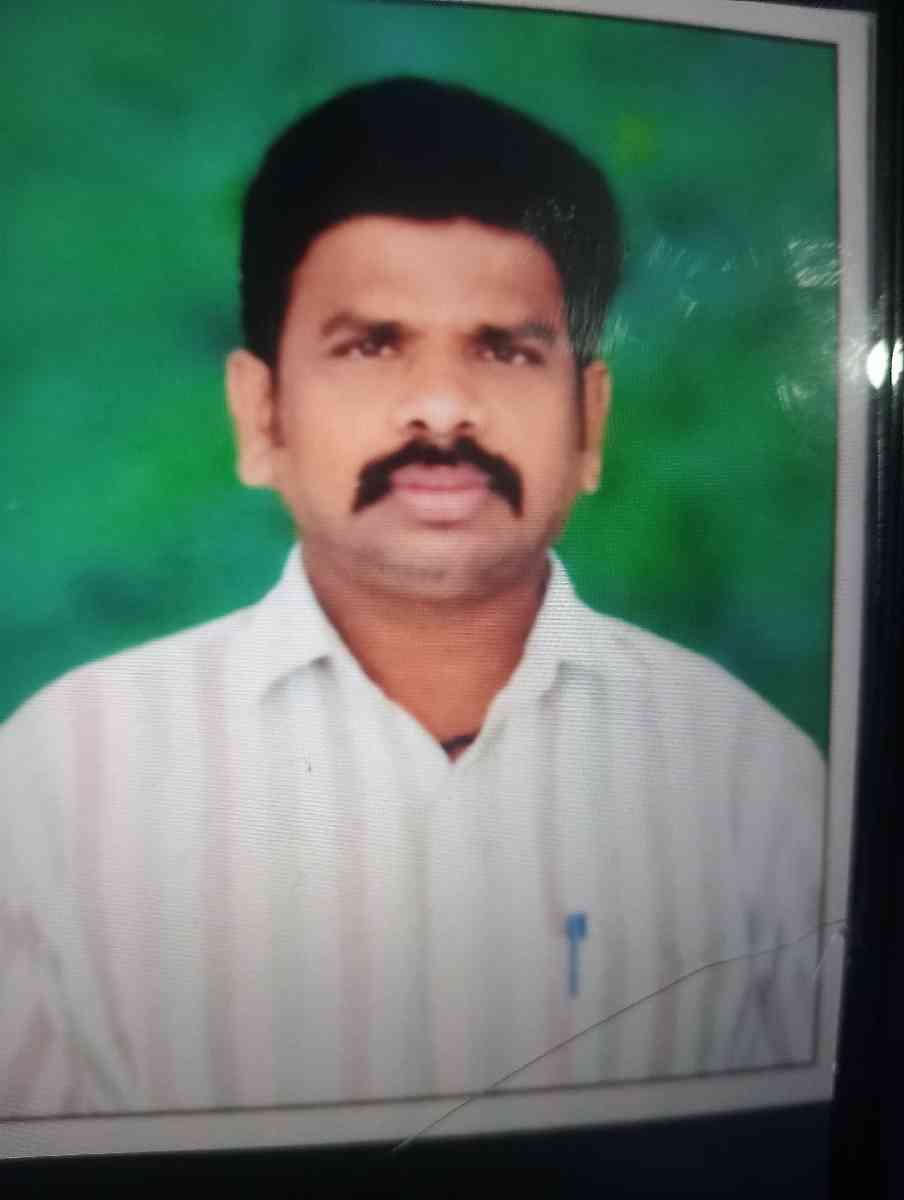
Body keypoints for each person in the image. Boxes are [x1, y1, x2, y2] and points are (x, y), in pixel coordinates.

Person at [0, 78, 824, 1119]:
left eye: (505, 349)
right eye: (371, 345)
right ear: (261, 414)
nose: (441, 408)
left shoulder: (756, 785)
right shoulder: (60, 782)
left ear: (589, 421)